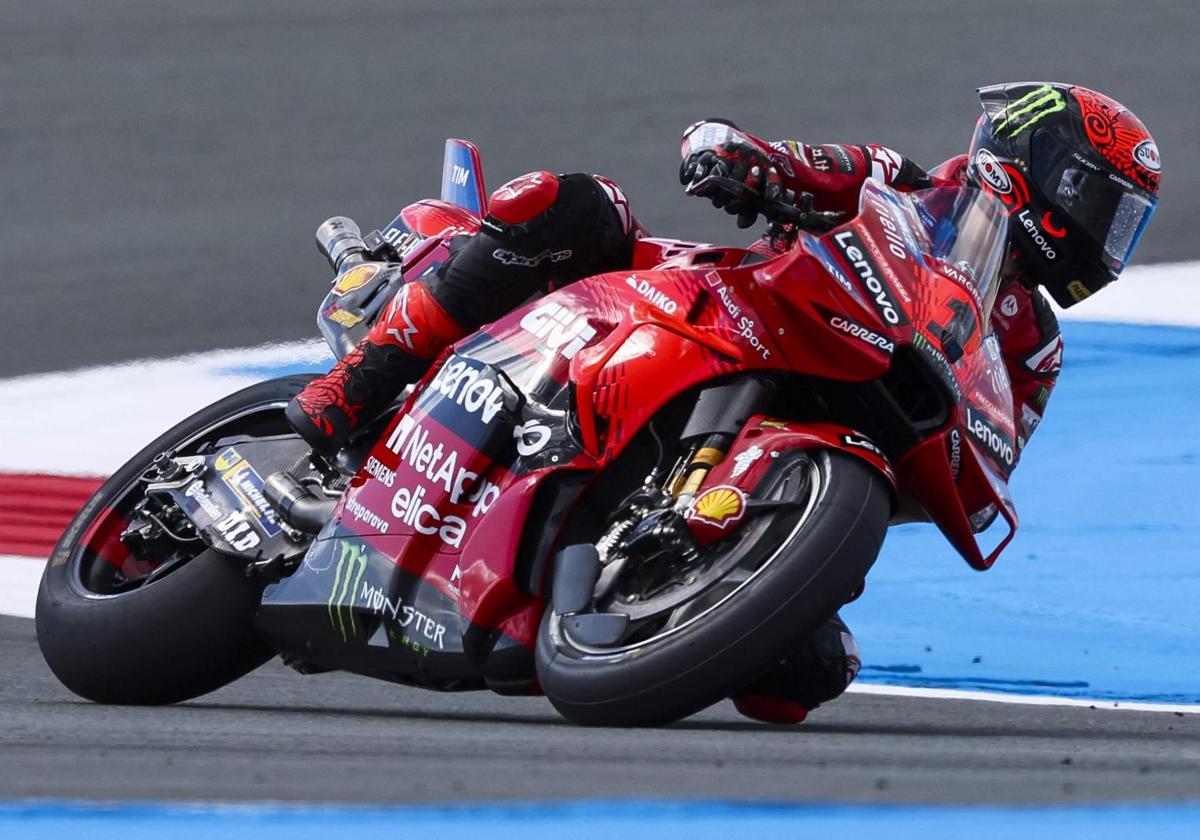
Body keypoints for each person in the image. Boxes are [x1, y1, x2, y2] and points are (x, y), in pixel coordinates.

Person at [285, 82, 1161, 723]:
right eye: (1101, 205)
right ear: (1041, 167)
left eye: (1123, 225)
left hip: (820, 437)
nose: (1103, 236)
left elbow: (992, 449)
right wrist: (737, 159)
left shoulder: (1034, 349)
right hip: (703, 311)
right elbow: (787, 162)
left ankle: (633, 575)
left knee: (805, 673)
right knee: (572, 204)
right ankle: (356, 382)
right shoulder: (900, 183)